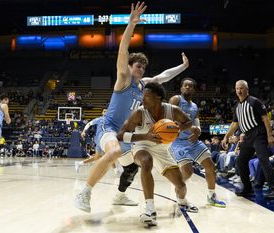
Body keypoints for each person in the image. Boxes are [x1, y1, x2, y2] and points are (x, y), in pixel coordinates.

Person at [75, 2, 190, 213]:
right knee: (115, 151)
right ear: (129, 66)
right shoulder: (124, 78)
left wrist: (183, 67)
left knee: (133, 166)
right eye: (138, 65)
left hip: (127, 133)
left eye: (144, 66)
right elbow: (123, 48)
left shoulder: (145, 84)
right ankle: (85, 191)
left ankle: (119, 196)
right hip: (109, 129)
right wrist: (131, 24)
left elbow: (161, 77)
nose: (141, 68)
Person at [117, 82, 195, 226]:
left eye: (146, 96)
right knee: (146, 161)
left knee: (181, 186)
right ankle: (149, 209)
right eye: (142, 96)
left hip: (163, 151)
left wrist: (179, 128)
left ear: (158, 97)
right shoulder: (139, 112)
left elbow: (189, 122)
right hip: (142, 146)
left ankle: (183, 202)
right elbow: (121, 135)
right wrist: (145, 136)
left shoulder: (173, 110)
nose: (143, 99)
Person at [169, 78, 226, 207]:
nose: (188, 88)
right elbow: (169, 121)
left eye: (190, 86)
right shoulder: (176, 100)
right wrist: (191, 128)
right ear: (181, 88)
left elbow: (197, 124)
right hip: (177, 142)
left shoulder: (194, 106)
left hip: (193, 141)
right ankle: (179, 187)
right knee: (188, 172)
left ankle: (212, 197)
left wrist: (198, 131)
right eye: (185, 86)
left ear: (194, 89)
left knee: (211, 167)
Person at [221, 80, 274, 199]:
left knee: (263, 160)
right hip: (247, 136)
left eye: (241, 88)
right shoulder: (237, 106)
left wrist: (269, 135)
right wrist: (226, 137)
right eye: (237, 88)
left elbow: (265, 118)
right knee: (240, 161)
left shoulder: (254, 101)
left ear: (247, 89)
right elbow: (234, 124)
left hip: (258, 133)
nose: (239, 90)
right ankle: (248, 188)